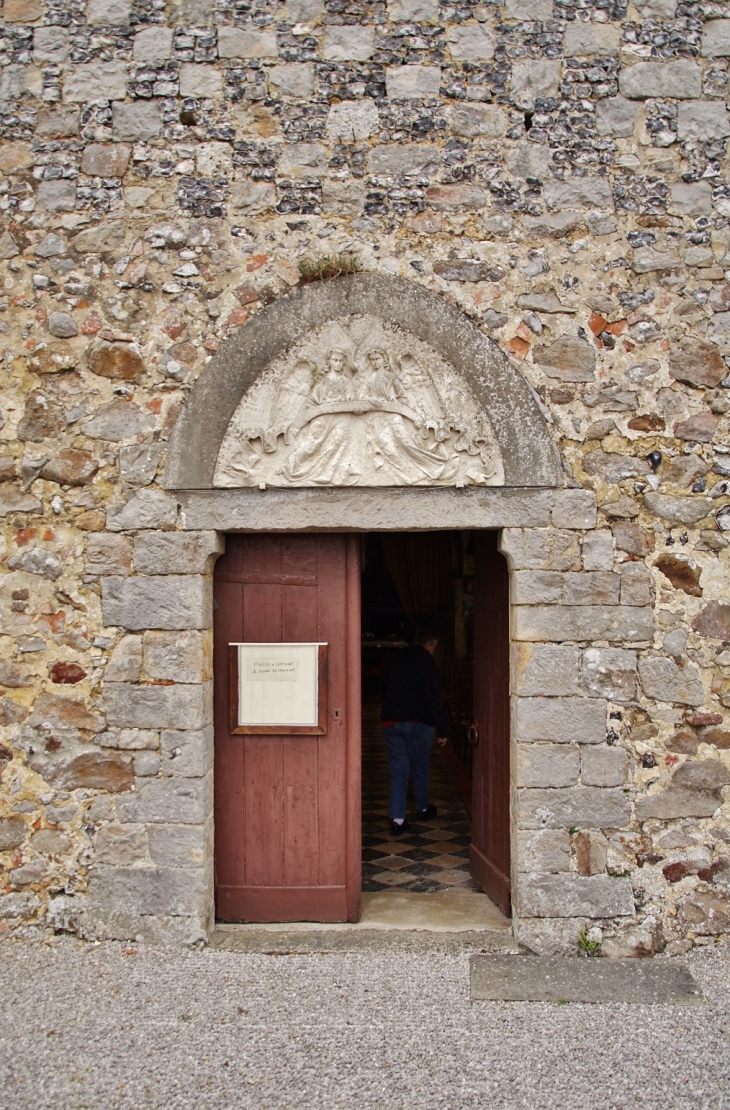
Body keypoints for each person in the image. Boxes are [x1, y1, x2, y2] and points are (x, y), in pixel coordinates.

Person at [380, 626, 449, 836]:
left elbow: (384, 686)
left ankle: (398, 820)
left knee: (398, 771)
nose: (434, 650)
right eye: (434, 646)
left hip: (392, 721)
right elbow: (433, 699)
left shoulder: (395, 657)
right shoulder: (428, 663)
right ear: (430, 644)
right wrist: (443, 730)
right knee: (420, 768)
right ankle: (422, 809)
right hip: (420, 723)